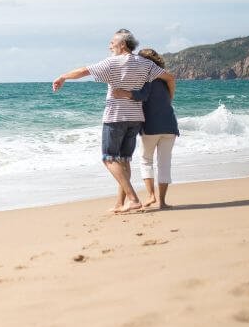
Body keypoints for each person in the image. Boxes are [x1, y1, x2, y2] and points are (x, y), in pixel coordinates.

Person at [52, 29, 175, 213]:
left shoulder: (113, 62)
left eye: (112, 42)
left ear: (123, 44)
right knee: (124, 160)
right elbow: (169, 77)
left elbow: (85, 70)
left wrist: (63, 77)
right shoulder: (145, 64)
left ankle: (133, 199)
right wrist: (169, 99)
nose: (109, 46)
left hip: (115, 117)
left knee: (108, 158)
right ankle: (120, 203)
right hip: (136, 119)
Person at [112, 48, 179, 209]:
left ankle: (151, 196)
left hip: (151, 127)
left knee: (146, 160)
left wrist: (123, 93)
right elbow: (168, 94)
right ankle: (162, 202)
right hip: (170, 125)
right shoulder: (164, 79)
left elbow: (142, 96)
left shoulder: (146, 77)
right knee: (164, 163)